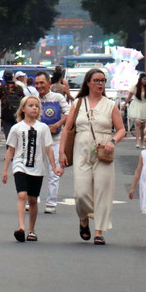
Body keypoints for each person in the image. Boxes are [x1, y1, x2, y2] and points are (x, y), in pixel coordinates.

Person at [58, 68, 126, 245]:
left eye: (103, 80)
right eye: (96, 80)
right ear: (88, 83)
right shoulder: (78, 103)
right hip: (81, 149)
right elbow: (67, 129)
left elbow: (121, 129)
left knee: (102, 191)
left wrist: (113, 141)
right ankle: (84, 218)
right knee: (80, 193)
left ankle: (98, 231)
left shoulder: (110, 105)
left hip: (104, 151)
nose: (100, 84)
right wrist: (61, 152)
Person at [1, 96, 61, 242]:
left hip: (37, 167)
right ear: (23, 109)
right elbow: (11, 150)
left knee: (33, 199)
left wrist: (54, 167)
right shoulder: (16, 128)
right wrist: (5, 170)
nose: (34, 108)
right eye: (31, 105)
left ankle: (31, 230)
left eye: (37, 106)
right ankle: (21, 227)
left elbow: (49, 149)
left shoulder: (43, 128)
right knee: (22, 195)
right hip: (20, 165)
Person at [33, 71, 69, 214]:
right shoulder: (32, 98)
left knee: (54, 173)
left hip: (55, 140)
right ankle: (33, 199)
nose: (39, 86)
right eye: (37, 83)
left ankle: (51, 203)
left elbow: (68, 113)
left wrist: (57, 125)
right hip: (36, 141)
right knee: (34, 171)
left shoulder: (57, 97)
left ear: (48, 83)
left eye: (42, 83)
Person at [0, 70, 24, 143]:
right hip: (17, 114)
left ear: (4, 77)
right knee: (18, 136)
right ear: (13, 77)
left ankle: (10, 150)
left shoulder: (2, 88)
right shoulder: (19, 87)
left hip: (5, 114)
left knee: (8, 136)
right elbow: (23, 100)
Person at [126, 73, 146, 148]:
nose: (145, 81)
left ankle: (142, 141)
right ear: (140, 79)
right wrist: (125, 104)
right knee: (137, 123)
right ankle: (137, 141)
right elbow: (129, 97)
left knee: (143, 125)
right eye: (144, 79)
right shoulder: (135, 87)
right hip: (137, 105)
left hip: (145, 106)